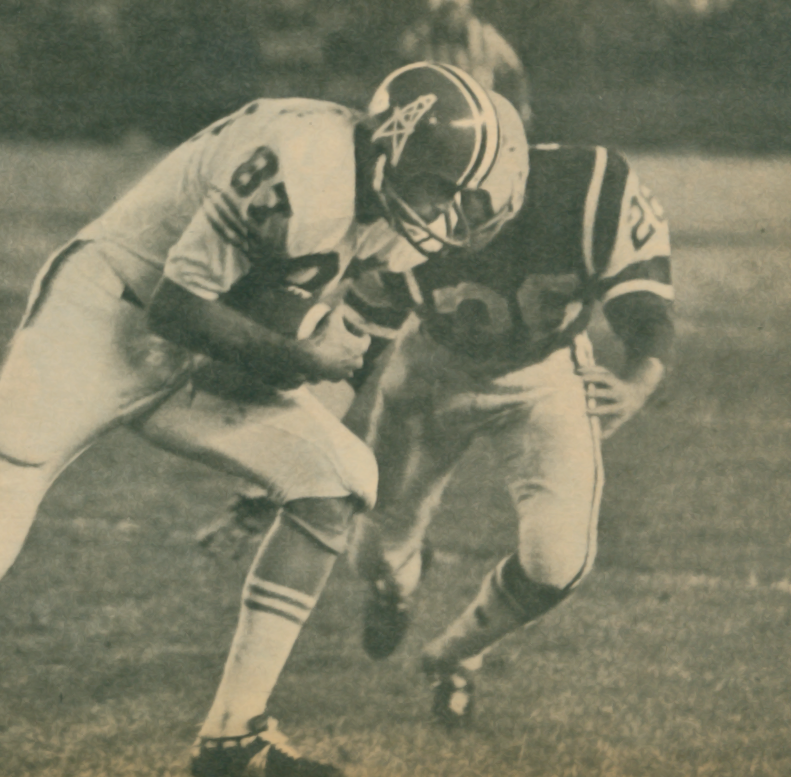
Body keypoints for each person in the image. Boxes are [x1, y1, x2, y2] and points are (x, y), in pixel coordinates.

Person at [0, 63, 520, 777]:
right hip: (101, 319)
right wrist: (298, 354)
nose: (444, 214)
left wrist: (288, 414)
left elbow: (335, 347)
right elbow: (177, 308)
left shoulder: (388, 211)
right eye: (439, 188)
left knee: (339, 477)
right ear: (391, 148)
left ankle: (235, 731)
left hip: (199, 345)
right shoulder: (301, 166)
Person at [202, 140, 674, 731]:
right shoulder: (408, 203)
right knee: (372, 557)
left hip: (545, 379)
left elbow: (647, 309)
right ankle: (400, 580)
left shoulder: (588, 184)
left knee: (558, 562)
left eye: (473, 193)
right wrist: (265, 481)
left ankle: (453, 656)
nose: (453, 213)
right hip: (430, 374)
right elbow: (350, 357)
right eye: (446, 190)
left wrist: (637, 383)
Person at [400, 0, 532, 128]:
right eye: (445, 12)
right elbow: (402, 66)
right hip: (438, 119)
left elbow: (515, 72)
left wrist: (523, 109)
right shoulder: (422, 38)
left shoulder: (485, 37)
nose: (451, 17)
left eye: (455, 10)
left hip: (479, 118)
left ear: (466, 10)